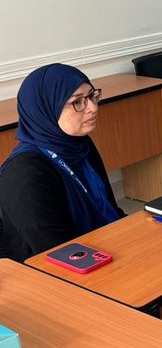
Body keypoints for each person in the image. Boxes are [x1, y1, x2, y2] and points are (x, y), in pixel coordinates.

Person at [0, 64, 125, 262]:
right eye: (78, 102)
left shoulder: (78, 143)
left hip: (106, 245)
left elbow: (109, 208)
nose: (92, 107)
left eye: (92, 96)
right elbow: (59, 252)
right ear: (47, 108)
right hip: (56, 273)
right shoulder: (24, 173)